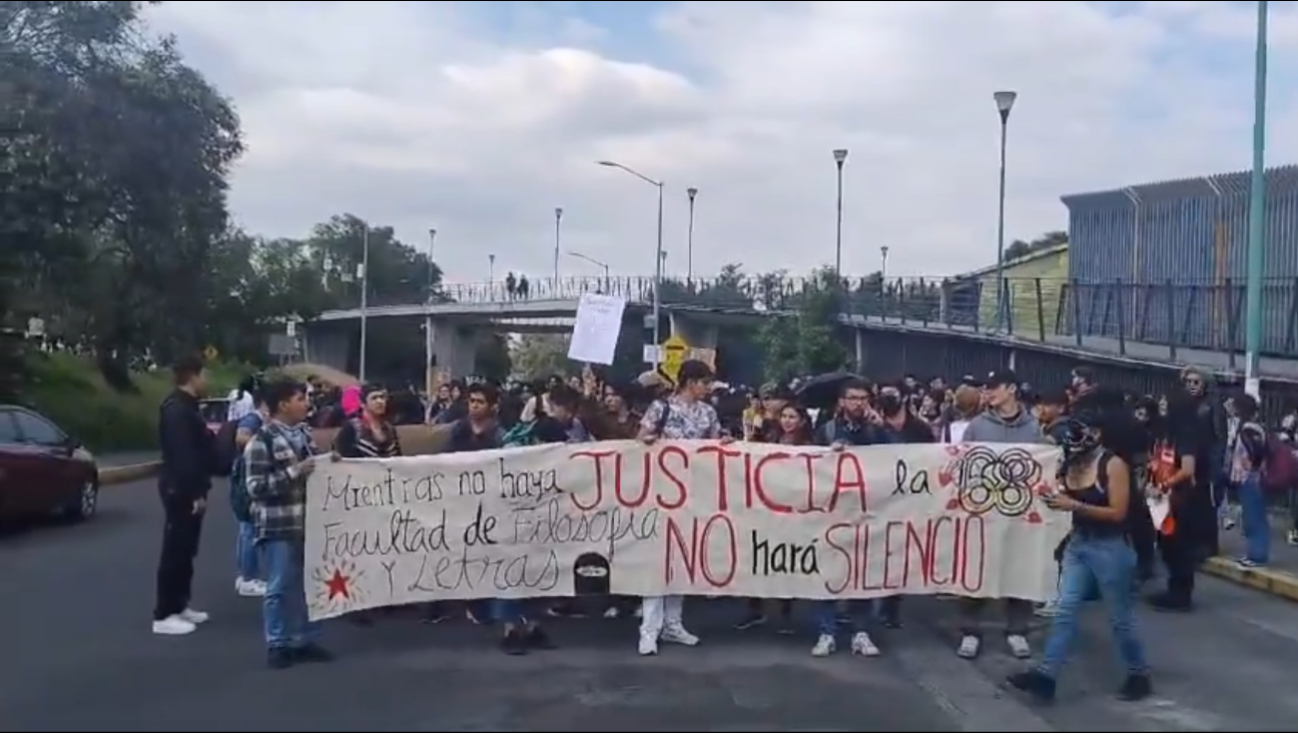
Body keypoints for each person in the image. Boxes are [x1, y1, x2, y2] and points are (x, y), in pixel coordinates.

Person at [1007, 411, 1152, 703]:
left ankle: (1138, 674)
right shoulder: (1070, 463)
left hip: (1111, 548)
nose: (1070, 444)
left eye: (1075, 437)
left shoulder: (1112, 465)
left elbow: (1118, 513)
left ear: (1096, 434)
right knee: (1065, 611)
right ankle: (1047, 676)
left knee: (1119, 618)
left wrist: (1072, 505)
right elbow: (1064, 499)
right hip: (1079, 544)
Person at [636, 359, 732, 656]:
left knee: (682, 558)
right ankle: (649, 630)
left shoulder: (708, 412)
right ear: (691, 382)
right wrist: (649, 441)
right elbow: (639, 440)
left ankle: (673, 623)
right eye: (704, 383)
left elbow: (715, 443)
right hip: (660, 492)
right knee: (656, 560)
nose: (707, 389)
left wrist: (725, 443)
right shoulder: (660, 408)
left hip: (694, 493)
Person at [955, 369, 1048, 660]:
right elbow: (962, 464)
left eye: (994, 387)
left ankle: (1017, 630)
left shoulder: (1033, 427)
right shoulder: (977, 426)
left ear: (1011, 389)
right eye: (986, 387)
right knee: (978, 572)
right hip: (983, 513)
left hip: (1021, 513)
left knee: (1020, 571)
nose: (988, 392)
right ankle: (970, 631)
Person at [244, 377, 332, 669]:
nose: (306, 404)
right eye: (300, 398)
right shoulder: (261, 441)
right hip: (278, 526)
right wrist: (296, 472)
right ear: (283, 404)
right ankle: (277, 643)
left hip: (308, 523)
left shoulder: (304, 435)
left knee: (308, 585)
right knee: (279, 587)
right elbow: (255, 488)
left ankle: (304, 640)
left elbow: (316, 470)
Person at [814, 377, 887, 657]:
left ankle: (862, 632)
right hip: (833, 511)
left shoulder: (876, 430)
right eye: (853, 398)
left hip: (868, 510)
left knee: (864, 571)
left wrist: (883, 431)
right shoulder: (827, 430)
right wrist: (827, 455)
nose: (858, 403)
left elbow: (903, 457)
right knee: (828, 573)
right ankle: (826, 632)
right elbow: (810, 466)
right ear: (842, 402)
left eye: (863, 398)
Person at [153, 354, 217, 636]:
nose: (208, 380)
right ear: (193, 376)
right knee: (175, 549)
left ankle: (181, 604)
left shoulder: (190, 407)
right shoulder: (177, 409)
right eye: (205, 374)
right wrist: (193, 493)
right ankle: (164, 613)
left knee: (187, 549)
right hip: (179, 488)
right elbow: (183, 457)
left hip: (191, 486)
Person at [333, 383, 403, 625]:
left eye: (383, 396)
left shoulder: (390, 430)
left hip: (384, 497)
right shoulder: (351, 429)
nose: (381, 401)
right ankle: (357, 603)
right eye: (375, 397)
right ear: (363, 402)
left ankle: (383, 596)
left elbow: (399, 461)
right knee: (358, 550)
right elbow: (339, 460)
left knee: (384, 547)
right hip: (358, 498)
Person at [231, 390, 269, 598]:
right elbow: (241, 437)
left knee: (246, 530)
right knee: (249, 530)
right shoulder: (254, 419)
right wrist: (264, 447)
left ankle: (245, 575)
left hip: (242, 479)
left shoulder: (256, 419)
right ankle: (249, 577)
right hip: (246, 480)